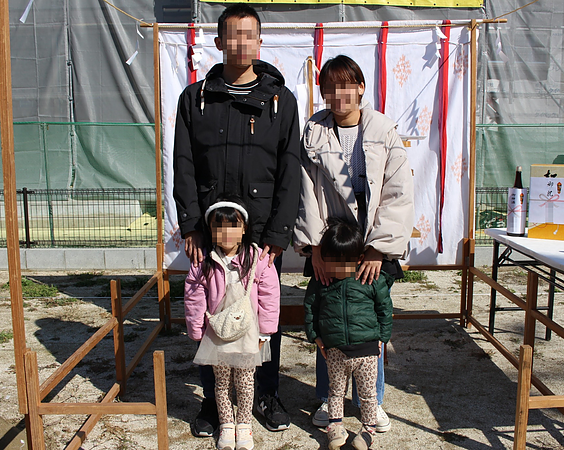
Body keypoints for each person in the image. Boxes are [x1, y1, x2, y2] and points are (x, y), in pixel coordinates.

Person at [173, 3, 300, 436]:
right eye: (233, 35)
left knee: (262, 316)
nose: (242, 43)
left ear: (259, 42)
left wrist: (279, 233)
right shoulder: (195, 99)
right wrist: (191, 225)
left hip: (260, 235)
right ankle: (214, 401)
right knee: (214, 317)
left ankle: (265, 393)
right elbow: (184, 164)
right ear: (219, 42)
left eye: (250, 35)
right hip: (212, 233)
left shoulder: (281, 101)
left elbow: (290, 169)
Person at [294, 55, 414, 431]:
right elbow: (307, 192)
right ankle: (328, 401)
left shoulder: (383, 129)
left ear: (361, 87)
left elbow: (398, 190)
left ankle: (371, 402)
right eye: (329, 87)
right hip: (331, 246)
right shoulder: (314, 132)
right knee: (330, 321)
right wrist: (314, 247)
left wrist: (379, 247)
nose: (338, 94)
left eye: (346, 85)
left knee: (366, 325)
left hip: (371, 246)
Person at [184, 196, 280, 450]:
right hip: (218, 333)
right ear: (210, 231)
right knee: (222, 381)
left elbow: (270, 294)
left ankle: (244, 425)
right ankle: (227, 424)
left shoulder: (257, 258)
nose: (227, 233)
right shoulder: (204, 261)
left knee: (247, 381)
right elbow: (194, 295)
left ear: (244, 228)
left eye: (233, 226)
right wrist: (196, 329)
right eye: (219, 227)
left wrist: (267, 331)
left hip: (249, 333)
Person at [304, 218, 394, 450]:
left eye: (345, 264)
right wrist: (315, 336)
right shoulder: (321, 280)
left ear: (360, 259)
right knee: (335, 392)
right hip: (334, 352)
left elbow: (385, 308)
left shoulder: (371, 278)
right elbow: (310, 308)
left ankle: (368, 431)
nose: (338, 270)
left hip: (367, 352)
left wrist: (383, 339)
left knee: (368, 394)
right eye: (332, 263)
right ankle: (335, 428)